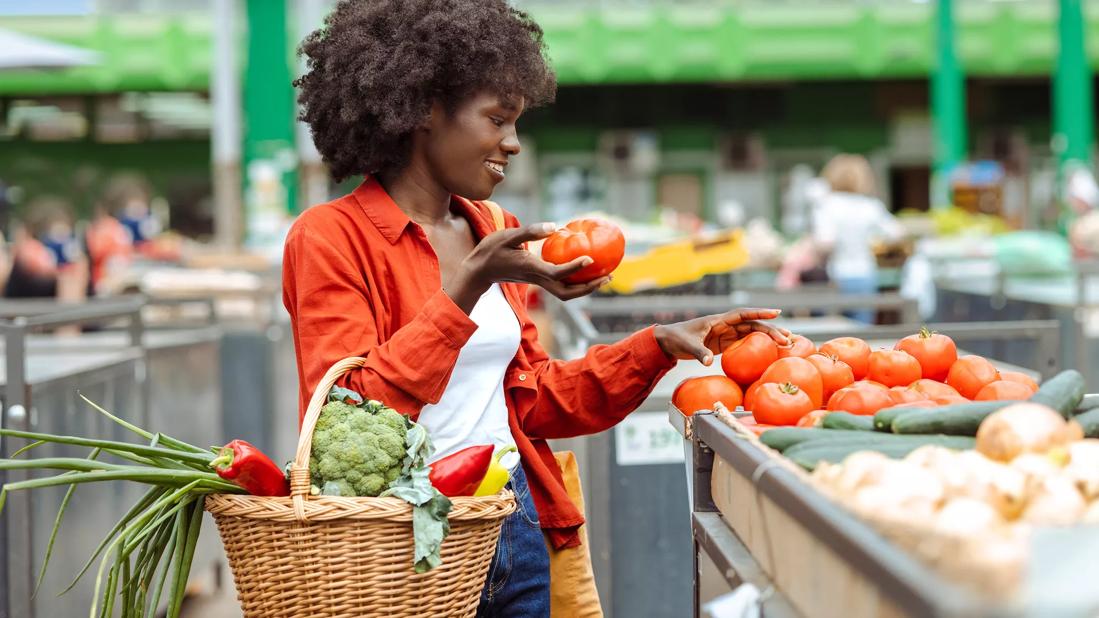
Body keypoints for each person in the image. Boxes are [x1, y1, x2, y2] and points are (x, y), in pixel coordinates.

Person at [285, 2, 789, 616]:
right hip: (399, 542)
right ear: (421, 110)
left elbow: (535, 398)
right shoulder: (331, 237)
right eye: (497, 119)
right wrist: (469, 285)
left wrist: (659, 344)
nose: (514, 143)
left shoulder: (496, 230)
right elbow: (348, 413)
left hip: (513, 519)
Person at [811, 154, 904, 324]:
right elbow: (897, 233)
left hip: (835, 276)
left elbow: (825, 242)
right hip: (865, 274)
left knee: (832, 331)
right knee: (861, 333)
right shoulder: (870, 206)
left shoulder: (827, 205)